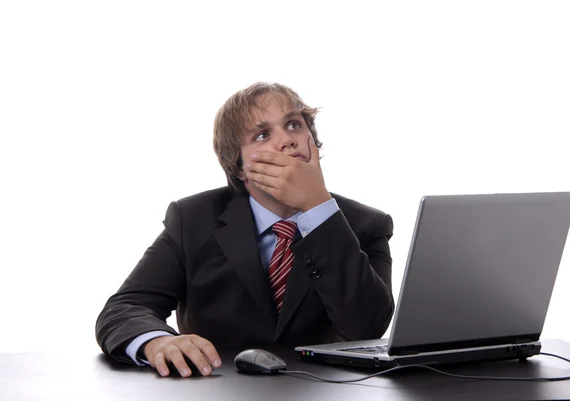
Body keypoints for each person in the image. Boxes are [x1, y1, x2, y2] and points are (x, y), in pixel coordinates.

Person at [95, 82, 394, 378]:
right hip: (219, 388)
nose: (287, 141)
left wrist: (317, 207)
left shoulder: (366, 225)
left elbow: (366, 328)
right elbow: (125, 307)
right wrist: (157, 341)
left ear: (312, 142)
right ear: (238, 166)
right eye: (262, 134)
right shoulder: (192, 219)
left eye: (293, 125)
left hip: (325, 390)